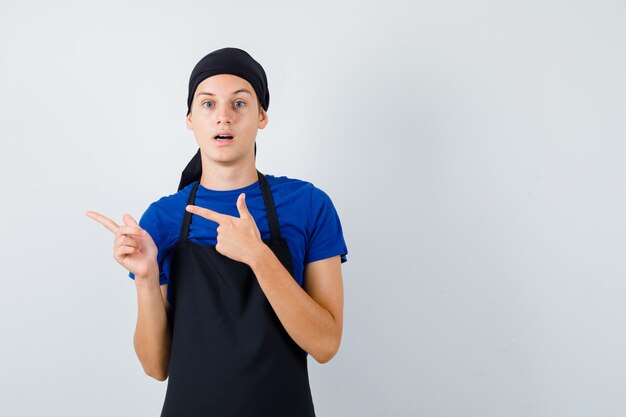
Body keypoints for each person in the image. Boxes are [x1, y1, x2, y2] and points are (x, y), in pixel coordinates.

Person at [85, 47, 348, 416]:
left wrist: (259, 257)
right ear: (190, 118)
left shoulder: (309, 205)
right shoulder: (162, 218)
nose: (223, 116)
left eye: (239, 104)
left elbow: (325, 344)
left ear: (262, 116)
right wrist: (145, 278)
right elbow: (156, 367)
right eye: (208, 104)